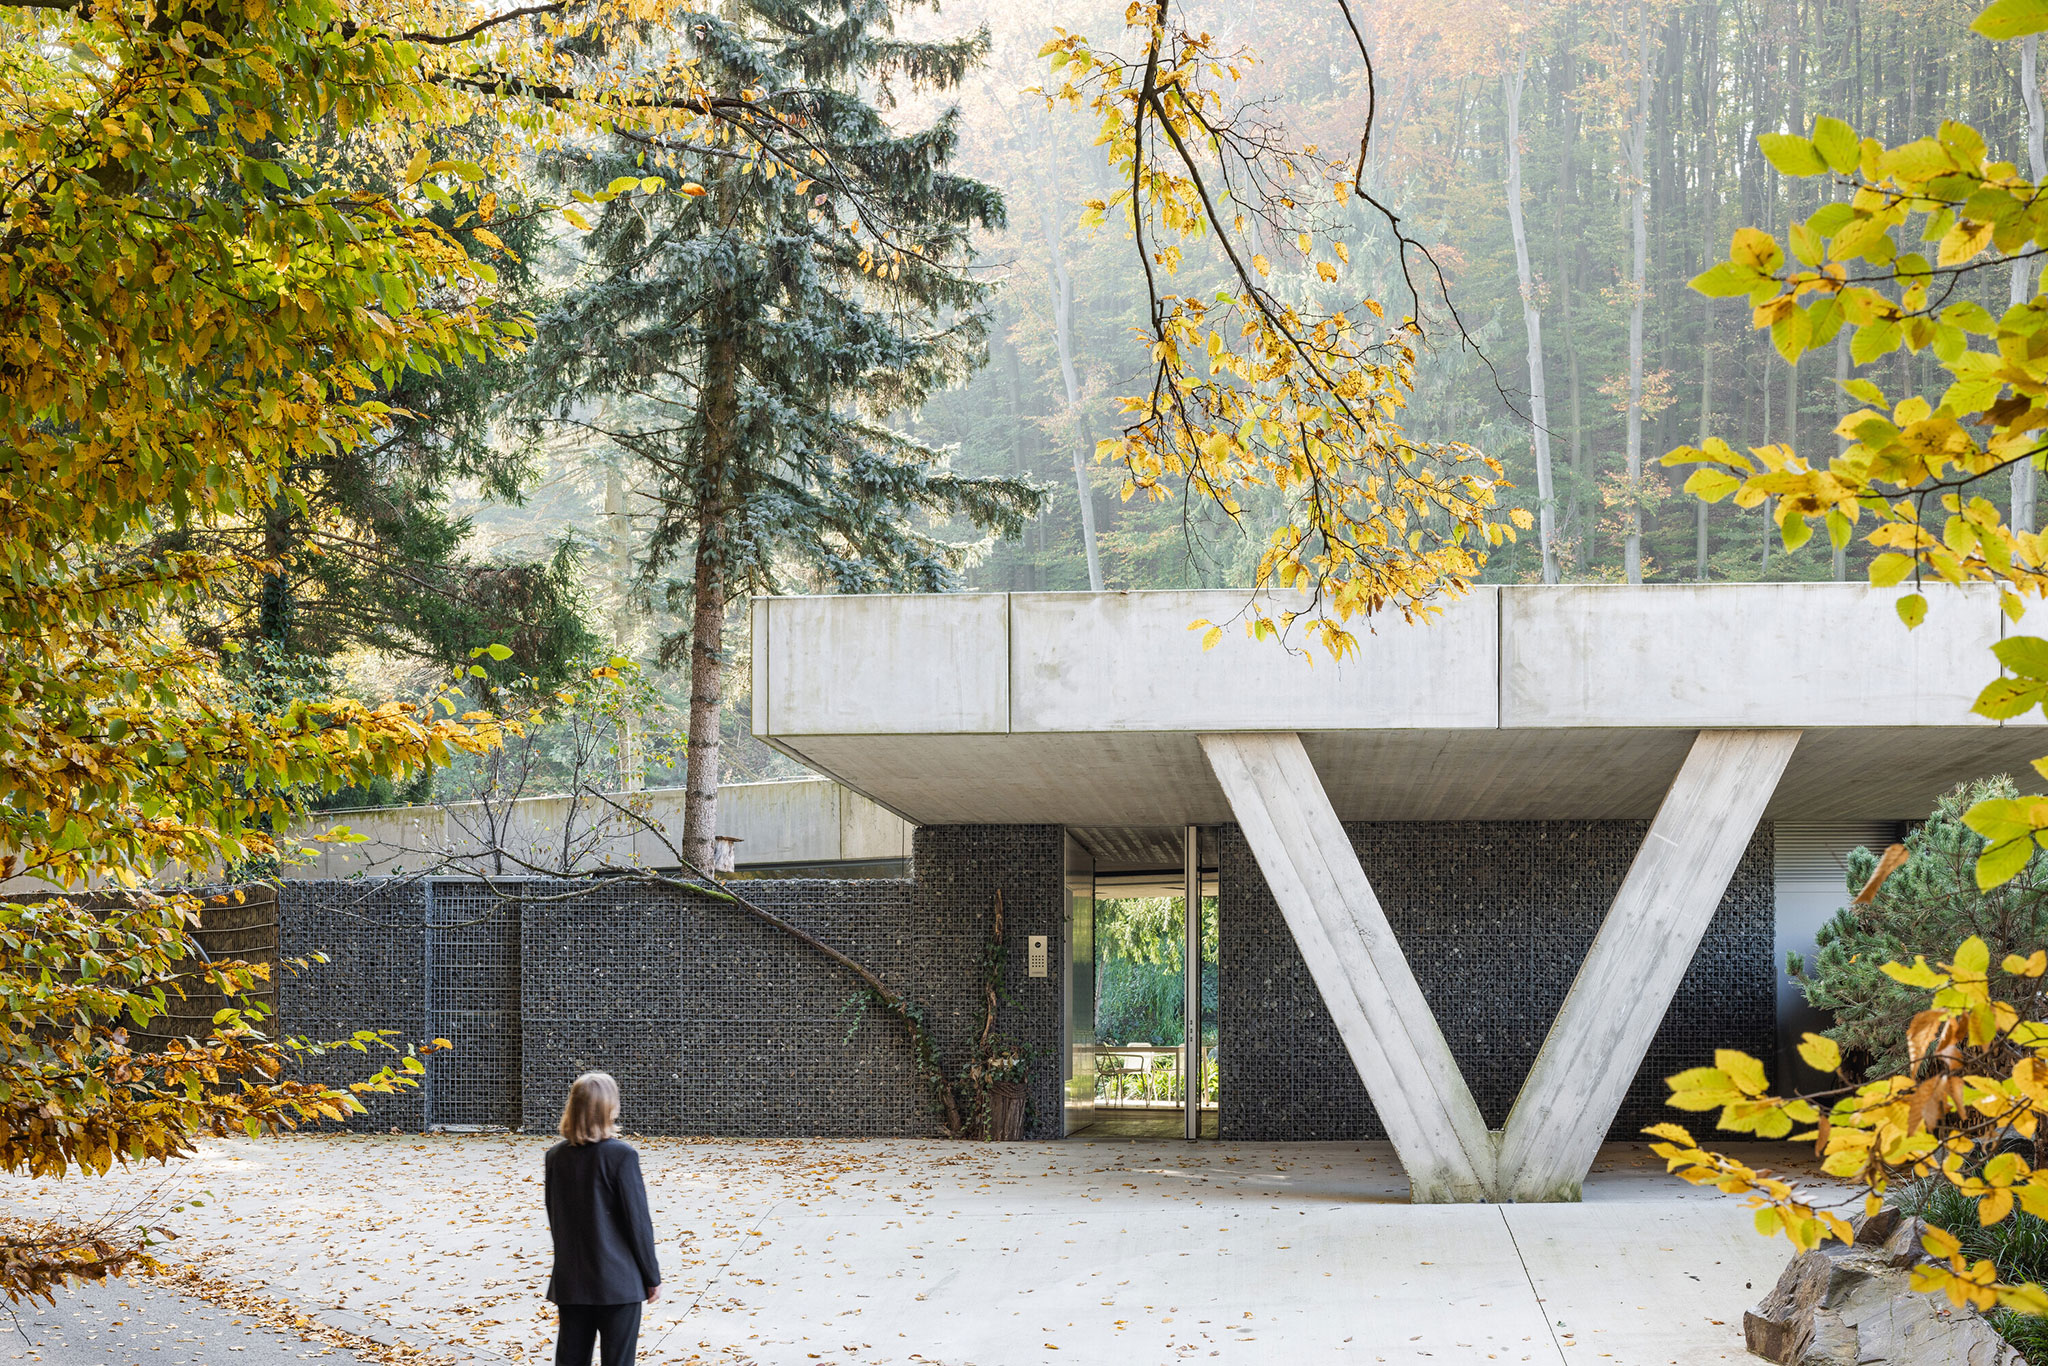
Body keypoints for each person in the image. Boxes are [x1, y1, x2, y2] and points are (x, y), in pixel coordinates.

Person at [544, 1072, 662, 1366]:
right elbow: (637, 1223)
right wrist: (652, 1276)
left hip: (572, 1282)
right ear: (609, 1107)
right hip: (619, 1283)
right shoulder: (621, 1156)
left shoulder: (555, 1157)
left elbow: (556, 1219)